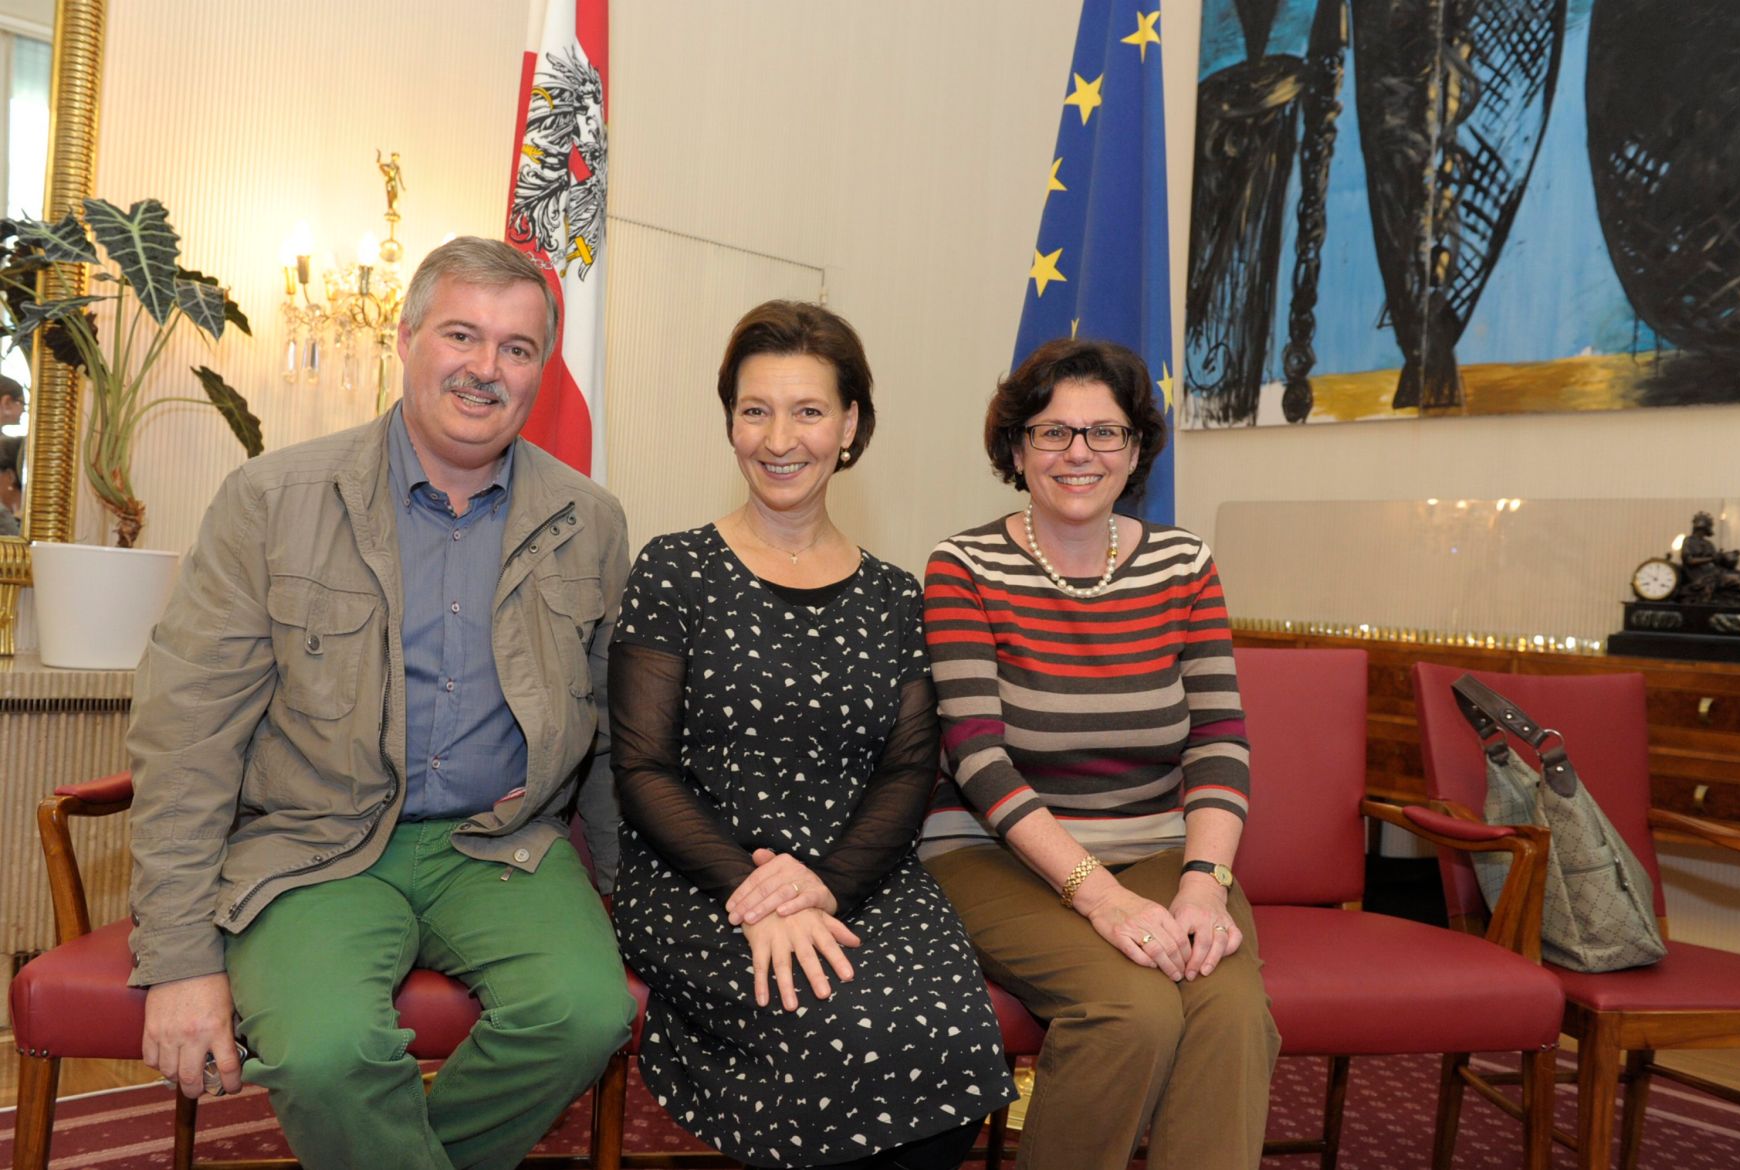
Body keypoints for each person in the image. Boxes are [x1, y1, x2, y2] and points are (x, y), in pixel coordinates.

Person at [126, 236, 635, 1170]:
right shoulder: (271, 500)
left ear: (541, 370)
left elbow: (609, 738)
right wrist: (179, 957)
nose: (486, 368)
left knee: (587, 1013)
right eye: (461, 335)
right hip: (311, 845)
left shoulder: (590, 522)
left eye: (517, 348)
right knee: (326, 1055)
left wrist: (630, 899)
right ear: (405, 338)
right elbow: (187, 736)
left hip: (501, 846)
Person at [610, 300, 1015, 1169]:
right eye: (755, 410)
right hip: (700, 875)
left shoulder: (896, 596)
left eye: (808, 411)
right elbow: (641, 768)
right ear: (730, 421)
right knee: (835, 1026)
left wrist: (824, 885)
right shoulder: (674, 570)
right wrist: (754, 893)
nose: (779, 439)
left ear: (850, 424)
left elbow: (908, 771)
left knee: (951, 1038)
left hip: (860, 872)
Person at [919, 338, 1279, 1169]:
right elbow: (976, 758)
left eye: (1104, 432)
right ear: (1017, 451)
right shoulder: (964, 566)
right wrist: (1100, 896)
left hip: (1156, 848)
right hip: (992, 853)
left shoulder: (1184, 564)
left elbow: (1219, 740)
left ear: (1136, 448)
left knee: (1231, 1015)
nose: (1079, 453)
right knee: (1131, 1012)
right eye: (1052, 432)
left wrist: (1204, 884)